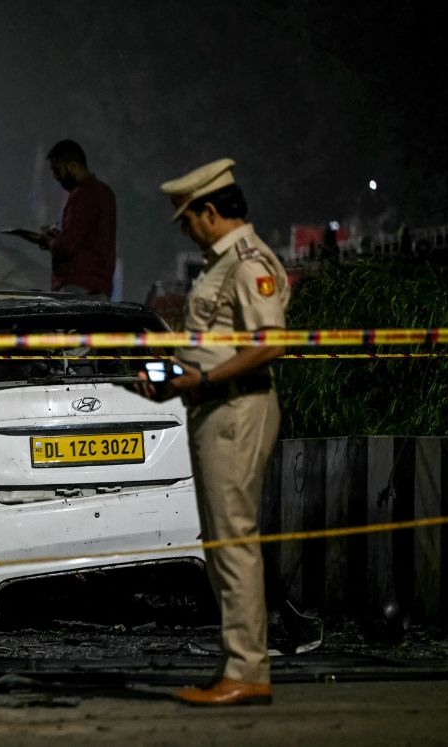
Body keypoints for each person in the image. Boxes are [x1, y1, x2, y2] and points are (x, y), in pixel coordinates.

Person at [143, 158, 289, 706]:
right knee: (222, 542)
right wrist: (177, 379)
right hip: (213, 405)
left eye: (187, 218)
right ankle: (238, 666)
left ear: (209, 211)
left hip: (236, 409)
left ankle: (248, 671)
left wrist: (203, 375)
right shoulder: (220, 263)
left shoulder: (248, 262)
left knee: (233, 543)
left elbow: (270, 342)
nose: (185, 228)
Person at [40, 139, 116, 300]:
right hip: (100, 287)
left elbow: (67, 245)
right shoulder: (105, 192)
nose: (56, 177)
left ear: (73, 166)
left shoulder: (82, 196)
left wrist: (50, 242)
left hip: (77, 287)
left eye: (57, 170)